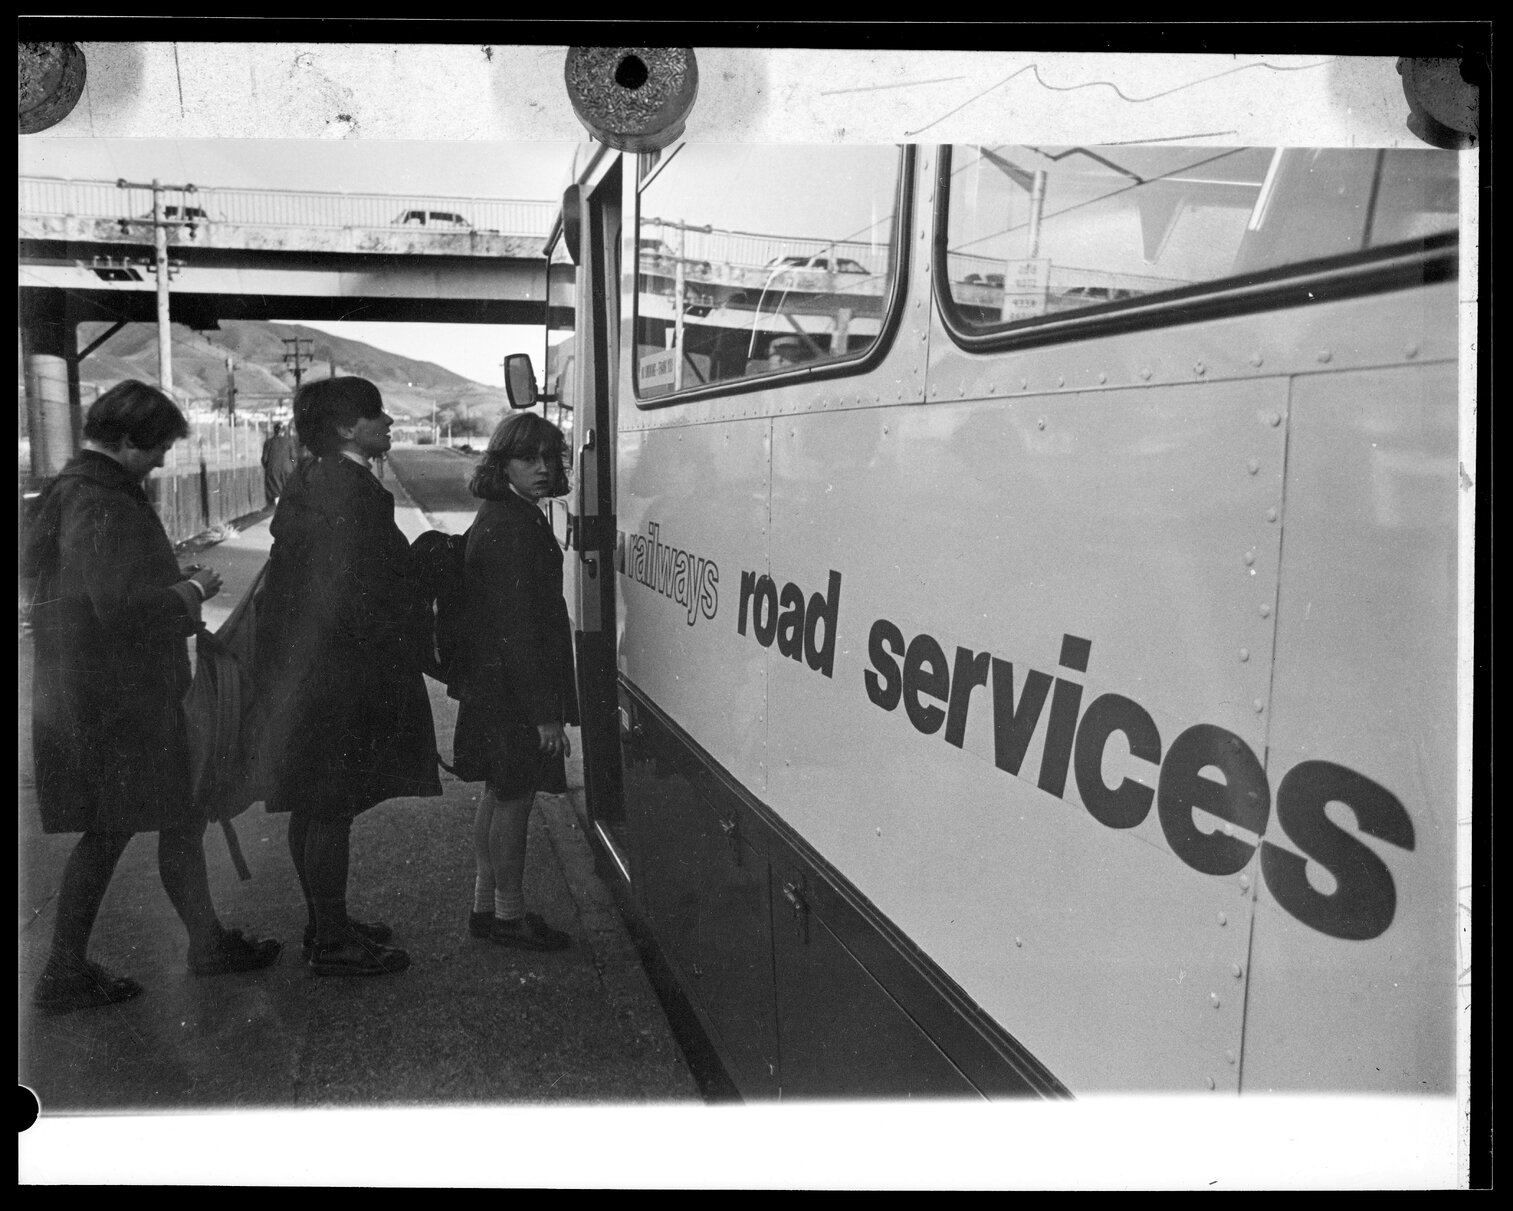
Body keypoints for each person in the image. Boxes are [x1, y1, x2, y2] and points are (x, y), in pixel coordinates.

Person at [23, 380, 282, 1014]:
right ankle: (65, 971)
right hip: (117, 702)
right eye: (159, 444)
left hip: (95, 695)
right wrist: (193, 592)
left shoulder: (74, 491)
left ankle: (204, 943)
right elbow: (119, 611)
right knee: (116, 830)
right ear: (129, 438)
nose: (165, 458)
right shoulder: (100, 502)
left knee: (172, 817)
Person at [256, 377, 441, 977]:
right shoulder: (347, 487)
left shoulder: (314, 479)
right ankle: (333, 942)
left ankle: (324, 924)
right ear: (345, 428)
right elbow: (354, 590)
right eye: (375, 414)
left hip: (309, 671)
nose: (388, 422)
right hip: (340, 674)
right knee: (330, 805)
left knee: (312, 804)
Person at [452, 412, 578, 951]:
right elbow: (521, 633)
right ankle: (508, 916)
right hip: (515, 698)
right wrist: (545, 714)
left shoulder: (501, 514)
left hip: (494, 692)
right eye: (528, 459)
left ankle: (486, 906)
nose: (543, 469)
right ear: (501, 463)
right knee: (515, 802)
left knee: (496, 795)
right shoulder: (514, 528)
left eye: (550, 458)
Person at [261, 420, 295, 507]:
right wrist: (293, 467)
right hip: (287, 470)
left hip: (273, 470)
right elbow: (293, 458)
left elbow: (264, 459)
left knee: (276, 492)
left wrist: (269, 467)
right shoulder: (289, 442)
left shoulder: (268, 442)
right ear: (283, 431)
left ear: (274, 430)